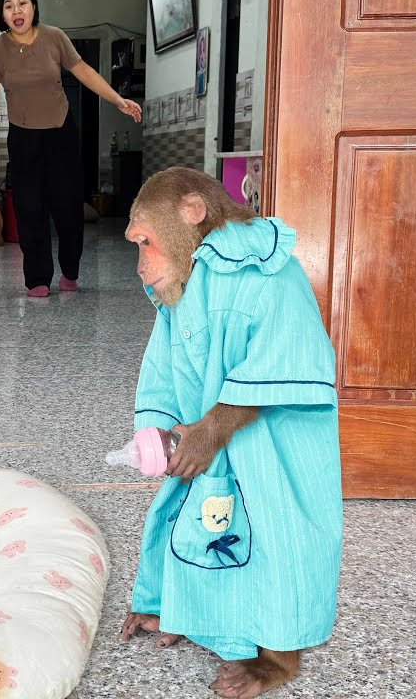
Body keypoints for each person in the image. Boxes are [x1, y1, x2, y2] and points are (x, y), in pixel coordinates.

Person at [118, 168, 342, 698]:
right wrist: (160, 427)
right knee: (208, 527)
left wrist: (213, 428)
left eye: (145, 243)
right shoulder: (186, 281)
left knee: (276, 535)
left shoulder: (270, 272)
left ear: (192, 214)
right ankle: (183, 609)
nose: (141, 265)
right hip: (206, 434)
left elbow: (288, 358)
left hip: (274, 446)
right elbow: (162, 363)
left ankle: (277, 659)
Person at [0, 0, 142, 297]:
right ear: (1, 14)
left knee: (68, 207)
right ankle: (38, 278)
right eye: (8, 5)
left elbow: (84, 71)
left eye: (22, 2)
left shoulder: (54, 37)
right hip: (23, 136)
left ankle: (70, 271)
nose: (16, 10)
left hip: (61, 134)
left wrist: (118, 99)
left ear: (33, 6)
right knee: (29, 209)